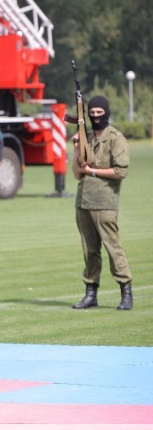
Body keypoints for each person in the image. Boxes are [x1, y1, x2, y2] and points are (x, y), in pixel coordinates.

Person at [70, 95, 133, 310]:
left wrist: (93, 171)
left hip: (105, 202)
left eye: (99, 112)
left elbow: (120, 171)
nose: (96, 116)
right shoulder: (86, 138)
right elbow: (77, 174)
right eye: (92, 112)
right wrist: (77, 148)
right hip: (84, 202)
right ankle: (91, 293)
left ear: (106, 112)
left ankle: (126, 291)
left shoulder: (116, 138)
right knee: (89, 250)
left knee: (113, 247)